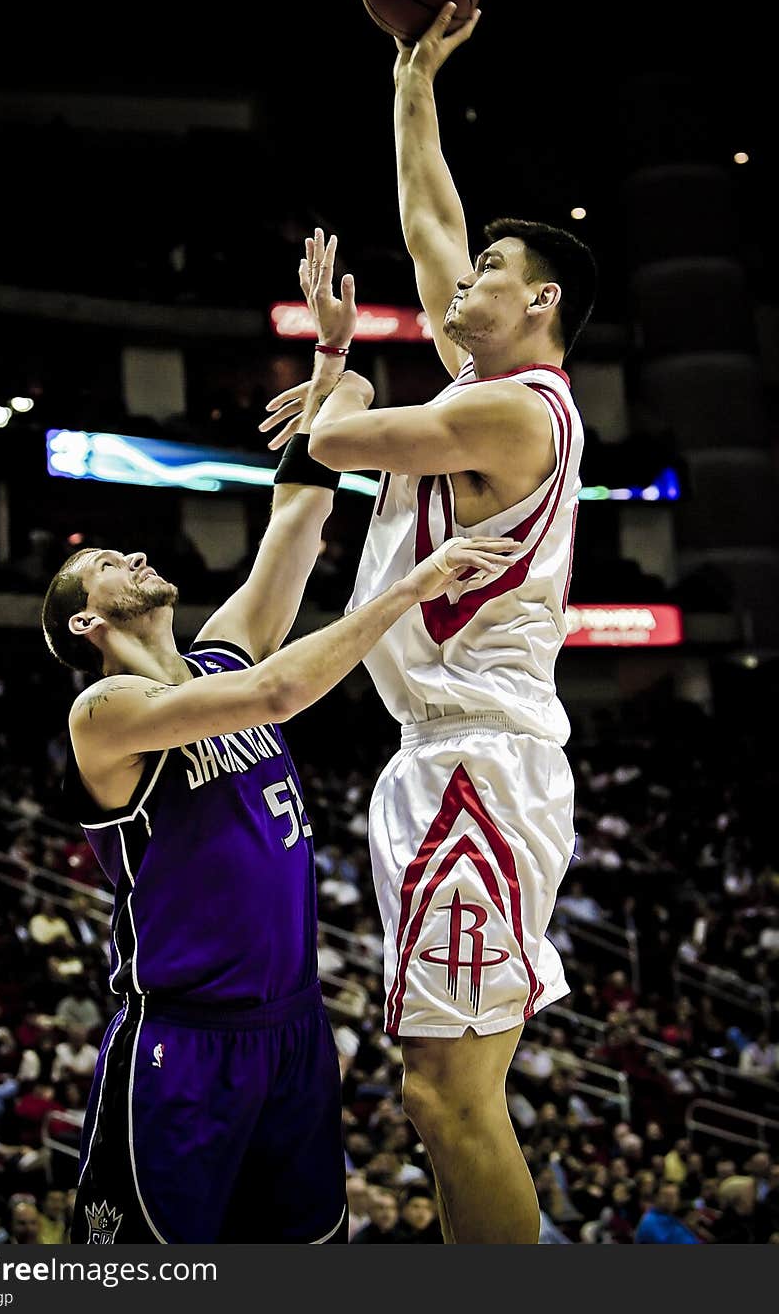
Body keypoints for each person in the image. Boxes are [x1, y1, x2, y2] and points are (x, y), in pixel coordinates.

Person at [260, 2, 596, 1246]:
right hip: (440, 751)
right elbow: (427, 220)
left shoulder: (517, 413)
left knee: (451, 1101)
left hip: (480, 758)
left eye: (489, 279)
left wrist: (337, 362)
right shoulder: (489, 381)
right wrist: (411, 81)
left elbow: (333, 435)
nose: (462, 284)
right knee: (434, 1101)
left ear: (542, 299)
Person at [41, 401, 516, 1245]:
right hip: (182, 1045)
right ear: (89, 622)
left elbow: (298, 515)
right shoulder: (104, 711)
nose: (138, 554)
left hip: (292, 1030)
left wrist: (332, 381)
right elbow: (277, 694)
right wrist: (410, 587)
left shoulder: (222, 652)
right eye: (111, 562)